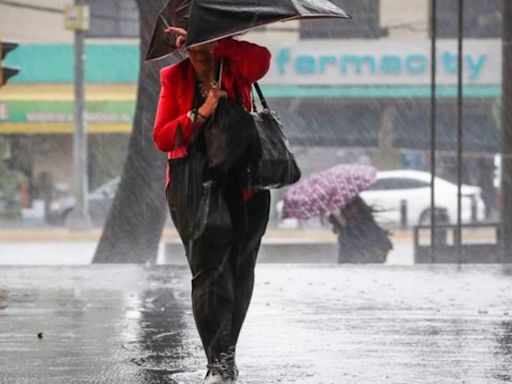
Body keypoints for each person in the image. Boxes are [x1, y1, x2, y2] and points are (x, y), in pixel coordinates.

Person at [152, 27, 271, 384]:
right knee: (207, 274)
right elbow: (161, 136)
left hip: (246, 184)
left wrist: (218, 41)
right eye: (191, 49)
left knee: (240, 270)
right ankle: (218, 364)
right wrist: (201, 113)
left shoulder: (235, 66)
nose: (198, 56)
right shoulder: (174, 77)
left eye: (202, 48)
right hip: (194, 187)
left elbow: (262, 60)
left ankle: (226, 356)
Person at [328, 196, 393, 263]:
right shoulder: (350, 227)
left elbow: (385, 245)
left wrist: (375, 256)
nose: (341, 213)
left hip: (360, 266)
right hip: (354, 266)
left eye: (343, 209)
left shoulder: (364, 226)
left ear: (354, 209)